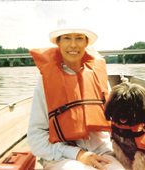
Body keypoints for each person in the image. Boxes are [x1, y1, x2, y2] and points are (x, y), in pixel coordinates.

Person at [27, 17, 125, 170]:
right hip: (63, 157)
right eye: (67, 38)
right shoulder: (44, 83)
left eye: (79, 38)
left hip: (102, 153)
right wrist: (78, 154)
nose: (73, 45)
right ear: (58, 43)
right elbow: (36, 140)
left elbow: (118, 122)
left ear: (86, 43)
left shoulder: (99, 78)